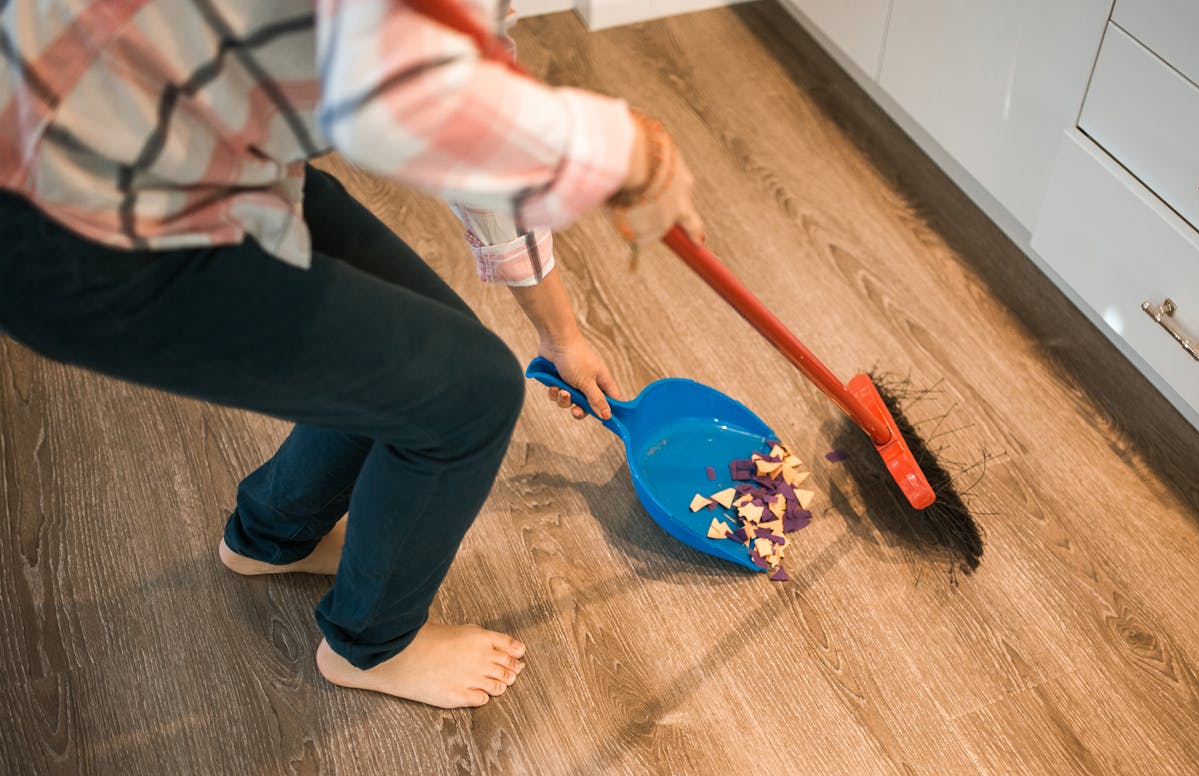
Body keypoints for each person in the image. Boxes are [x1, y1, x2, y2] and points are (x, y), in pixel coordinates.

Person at [0, 0, 704, 708]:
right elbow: (411, 101)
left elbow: (464, 89)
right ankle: (371, 646)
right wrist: (633, 152)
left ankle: (274, 534)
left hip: (192, 139)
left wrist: (563, 337)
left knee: (430, 344)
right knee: (472, 398)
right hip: (84, 227)